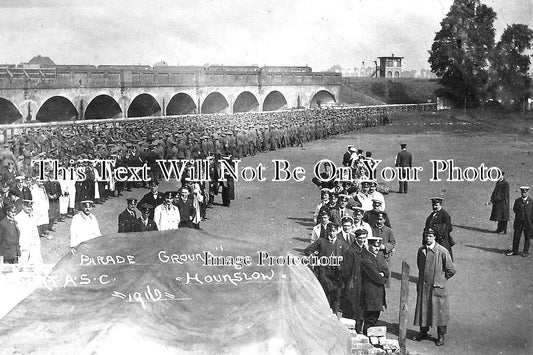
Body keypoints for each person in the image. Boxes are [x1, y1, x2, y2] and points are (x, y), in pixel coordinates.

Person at [414, 227, 456, 346]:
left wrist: (441, 279)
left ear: (435, 237)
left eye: (430, 236)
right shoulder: (421, 250)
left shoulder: (442, 251)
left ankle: (441, 335)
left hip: (437, 288)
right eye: (426, 236)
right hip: (424, 286)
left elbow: (451, 270)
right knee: (423, 309)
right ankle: (423, 332)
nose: (428, 238)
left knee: (440, 312)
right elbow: (420, 266)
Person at [304, 224, 347, 314]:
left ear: (337, 231)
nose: (332, 233)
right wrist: (315, 259)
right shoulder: (321, 241)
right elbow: (308, 250)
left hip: (336, 273)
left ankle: (334, 314)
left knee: (336, 294)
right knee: (324, 293)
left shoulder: (341, 244)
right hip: (323, 271)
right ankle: (323, 313)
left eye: (334, 231)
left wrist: (342, 263)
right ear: (328, 231)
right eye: (330, 231)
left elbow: (347, 257)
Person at [360, 235, 388, 335]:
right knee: (370, 321)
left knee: (373, 320)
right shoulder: (367, 260)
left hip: (377, 297)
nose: (376, 248)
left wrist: (383, 273)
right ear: (369, 245)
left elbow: (386, 271)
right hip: (371, 297)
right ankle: (366, 340)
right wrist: (382, 275)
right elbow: (378, 279)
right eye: (374, 246)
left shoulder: (377, 257)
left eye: (378, 246)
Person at [340, 228, 367, 333]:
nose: (362, 240)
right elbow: (345, 270)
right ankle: (351, 331)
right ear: (356, 238)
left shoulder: (364, 249)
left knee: (361, 308)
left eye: (364, 238)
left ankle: (359, 329)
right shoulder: (351, 251)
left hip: (362, 283)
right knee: (352, 308)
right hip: (353, 284)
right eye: (360, 238)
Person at [507, 186, 533, 257]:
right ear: (521, 193)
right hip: (519, 222)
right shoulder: (517, 201)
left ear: (527, 192)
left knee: (527, 237)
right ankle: (515, 250)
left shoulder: (531, 201)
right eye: (522, 192)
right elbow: (515, 210)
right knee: (516, 236)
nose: (524, 194)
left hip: (527, 222)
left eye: (525, 192)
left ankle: (525, 251)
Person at [371, 212, 395, 288]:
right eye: (377, 219)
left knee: (384, 278)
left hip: (384, 257)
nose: (379, 221)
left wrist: (385, 246)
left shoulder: (388, 230)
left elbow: (393, 242)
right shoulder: (371, 229)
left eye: (381, 219)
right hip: (373, 257)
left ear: (384, 220)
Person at [14, 199, 43, 265]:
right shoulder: (18, 218)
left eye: (30, 206)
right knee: (23, 264)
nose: (29, 208)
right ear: (23, 206)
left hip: (33, 245)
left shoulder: (32, 216)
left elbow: (35, 232)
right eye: (27, 206)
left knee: (35, 264)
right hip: (23, 245)